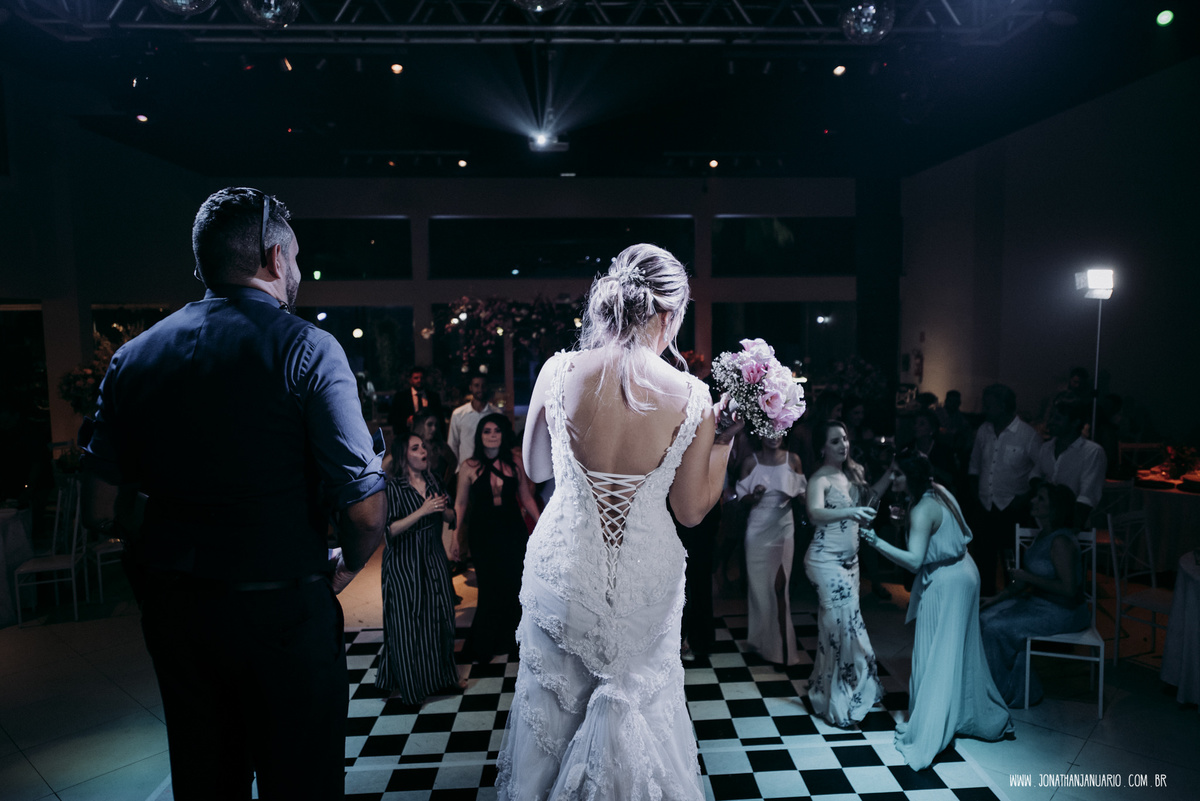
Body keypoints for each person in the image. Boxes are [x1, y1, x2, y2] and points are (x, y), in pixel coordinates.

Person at [80, 187, 386, 800]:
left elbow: (100, 510)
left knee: (206, 783)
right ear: (275, 258)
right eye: (296, 258)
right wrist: (348, 564)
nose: (298, 271)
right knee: (300, 784)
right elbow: (363, 507)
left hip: (180, 618)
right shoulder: (308, 348)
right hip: (283, 618)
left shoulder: (132, 358)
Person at [496, 243, 741, 799]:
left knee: (551, 723)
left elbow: (534, 468)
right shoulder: (693, 396)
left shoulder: (559, 371)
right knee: (648, 718)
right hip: (644, 582)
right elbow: (690, 510)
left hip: (565, 572)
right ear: (670, 314)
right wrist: (722, 442)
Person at [860, 451, 1012, 770]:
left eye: (898, 474)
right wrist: (907, 523)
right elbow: (933, 536)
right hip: (964, 572)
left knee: (935, 653)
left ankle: (933, 724)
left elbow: (915, 561)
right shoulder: (938, 491)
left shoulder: (922, 507)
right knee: (957, 651)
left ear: (912, 477)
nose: (894, 478)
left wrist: (874, 540)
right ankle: (963, 714)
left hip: (947, 581)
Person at [803, 419, 885, 728]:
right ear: (823, 447)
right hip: (823, 561)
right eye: (835, 441)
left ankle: (829, 686)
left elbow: (869, 502)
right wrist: (851, 512)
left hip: (851, 563)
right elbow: (814, 512)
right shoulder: (820, 479)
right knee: (843, 629)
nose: (843, 445)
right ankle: (834, 699)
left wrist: (890, 473)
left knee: (840, 628)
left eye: (845, 439)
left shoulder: (851, 474)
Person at [979, 483, 1089, 707]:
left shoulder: (1061, 542)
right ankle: (1017, 685)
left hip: (1063, 611)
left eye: (1040, 499)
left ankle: (1003, 694)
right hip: (1038, 603)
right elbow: (1021, 582)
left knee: (994, 627)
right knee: (984, 617)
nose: (1032, 502)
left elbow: (1069, 589)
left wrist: (1029, 578)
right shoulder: (1044, 535)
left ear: (1055, 508)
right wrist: (996, 598)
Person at [375, 432, 465, 701]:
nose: (424, 451)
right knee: (406, 623)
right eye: (416, 448)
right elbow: (389, 531)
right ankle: (411, 688)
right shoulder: (393, 488)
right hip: (404, 562)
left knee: (440, 618)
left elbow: (451, 517)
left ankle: (442, 679)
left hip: (433, 557)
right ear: (405, 457)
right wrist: (422, 511)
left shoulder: (434, 480)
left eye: (424, 447)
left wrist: (446, 512)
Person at [453, 412, 540, 662]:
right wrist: (454, 537)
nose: (492, 436)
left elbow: (525, 498)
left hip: (512, 530)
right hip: (483, 532)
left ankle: (514, 642)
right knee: (489, 587)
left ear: (503, 434)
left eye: (496, 431)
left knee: (514, 585)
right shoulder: (469, 467)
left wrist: (541, 524)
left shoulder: (514, 463)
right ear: (479, 436)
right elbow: (460, 505)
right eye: (486, 431)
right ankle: (485, 644)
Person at [735, 434, 806, 665]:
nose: (773, 436)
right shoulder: (750, 462)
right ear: (760, 433)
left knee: (780, 588)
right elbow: (741, 498)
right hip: (757, 528)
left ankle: (783, 650)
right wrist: (753, 496)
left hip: (783, 526)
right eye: (768, 430)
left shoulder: (793, 459)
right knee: (759, 590)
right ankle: (760, 642)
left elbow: (805, 496)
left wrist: (799, 494)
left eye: (778, 430)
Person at [967, 383, 1040, 595]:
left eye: (989, 405)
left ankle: (1014, 606)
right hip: (985, 506)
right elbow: (975, 464)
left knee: (1013, 562)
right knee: (982, 561)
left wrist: (1025, 498)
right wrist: (976, 495)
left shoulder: (1028, 435)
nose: (985, 409)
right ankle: (985, 604)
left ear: (1004, 406)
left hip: (1013, 509)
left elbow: (1042, 471)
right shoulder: (984, 430)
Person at [1030, 400, 1106, 529]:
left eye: (1058, 418)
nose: (1051, 422)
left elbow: (1087, 497)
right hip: (1043, 521)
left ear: (1075, 422)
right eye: (1052, 417)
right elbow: (1034, 475)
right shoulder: (1046, 447)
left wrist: (1068, 528)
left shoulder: (1092, 452)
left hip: (1074, 523)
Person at [447, 374, 501, 466]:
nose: (480, 389)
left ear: (487, 387)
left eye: (483, 386)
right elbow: (452, 444)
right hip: (465, 467)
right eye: (476, 385)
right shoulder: (458, 414)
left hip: (490, 468)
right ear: (470, 388)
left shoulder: (497, 414)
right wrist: (456, 470)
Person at [388, 366, 443, 433]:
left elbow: (440, 419)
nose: (419, 381)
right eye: (416, 378)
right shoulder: (400, 397)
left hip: (430, 436)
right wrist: (406, 421)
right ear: (410, 380)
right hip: (407, 436)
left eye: (421, 378)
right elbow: (391, 419)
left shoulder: (434, 397)